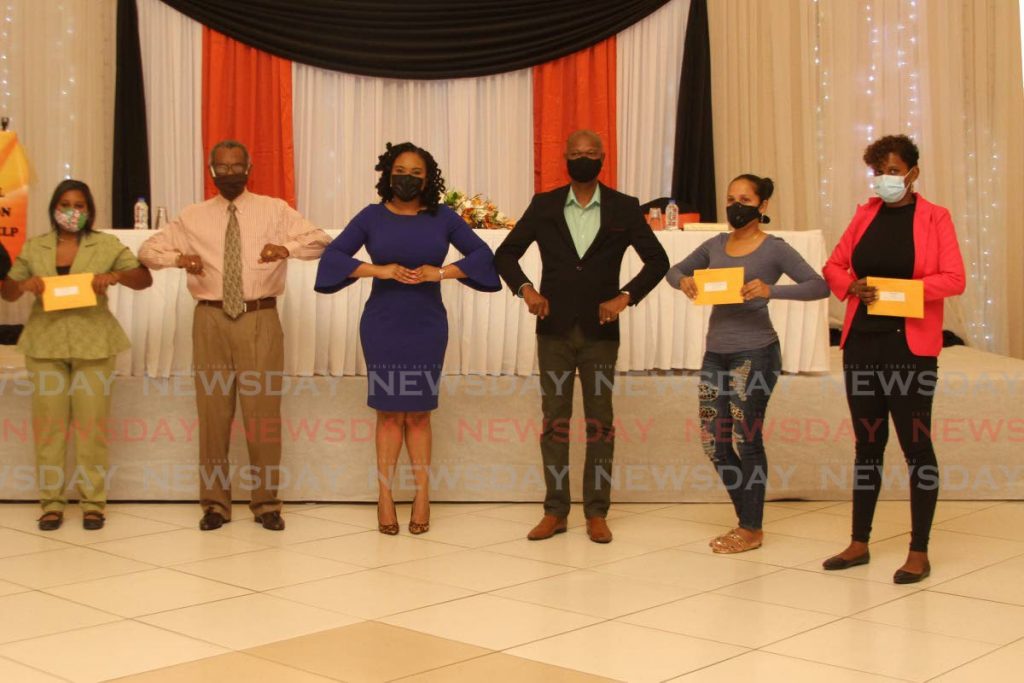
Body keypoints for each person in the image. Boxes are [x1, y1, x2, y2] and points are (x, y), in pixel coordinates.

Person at [138, 139, 331, 532]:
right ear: (211, 172)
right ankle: (214, 505)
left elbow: (321, 242)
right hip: (209, 320)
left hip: (259, 318)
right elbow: (147, 251)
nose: (230, 174)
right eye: (222, 168)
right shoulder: (192, 216)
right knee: (212, 416)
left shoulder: (274, 209)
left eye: (236, 167)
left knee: (262, 416)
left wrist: (286, 248)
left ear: (249, 168)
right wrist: (179, 259)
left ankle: (266, 503)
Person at [315, 142, 500, 535]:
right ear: (387, 173)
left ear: (427, 178)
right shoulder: (371, 216)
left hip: (426, 323)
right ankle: (384, 497)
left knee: (418, 413)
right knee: (388, 413)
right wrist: (377, 270)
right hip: (383, 324)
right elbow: (334, 257)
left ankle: (421, 496)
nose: (408, 178)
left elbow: (483, 256)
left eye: (417, 172)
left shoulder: (443, 217)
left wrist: (442, 273)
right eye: (401, 170)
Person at [494, 130, 669, 544]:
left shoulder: (624, 208)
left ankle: (596, 511)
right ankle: (555, 510)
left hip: (601, 334)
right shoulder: (545, 204)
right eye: (576, 153)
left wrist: (625, 297)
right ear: (565, 158)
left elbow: (657, 260)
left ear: (603, 158)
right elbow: (506, 253)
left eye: (590, 153)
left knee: (600, 423)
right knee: (554, 421)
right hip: (553, 331)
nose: (583, 158)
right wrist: (526, 290)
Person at [822, 135, 965, 583]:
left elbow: (954, 278)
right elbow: (834, 265)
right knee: (867, 446)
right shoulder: (865, 214)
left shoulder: (935, 218)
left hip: (910, 349)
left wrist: (908, 292)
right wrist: (851, 286)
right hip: (863, 344)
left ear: (913, 172)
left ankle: (918, 549)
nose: (886, 178)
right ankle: (859, 542)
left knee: (916, 447)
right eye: (879, 171)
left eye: (894, 170)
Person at [666, 175, 829, 553]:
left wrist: (773, 290)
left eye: (745, 198)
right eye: (730, 198)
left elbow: (819, 286)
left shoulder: (775, 249)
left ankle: (750, 528)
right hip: (715, 354)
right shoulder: (714, 244)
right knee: (714, 442)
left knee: (747, 438)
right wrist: (685, 281)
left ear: (762, 206)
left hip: (755, 353)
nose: (736, 205)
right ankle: (748, 520)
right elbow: (673, 271)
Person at [2, 179, 152, 530]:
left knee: (91, 427)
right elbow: (8, 292)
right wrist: (22, 285)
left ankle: (93, 504)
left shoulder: (106, 244)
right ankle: (51, 503)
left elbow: (143, 278)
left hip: (94, 343)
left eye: (80, 205)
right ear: (54, 208)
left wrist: (113, 275)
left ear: (89, 210)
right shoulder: (36, 247)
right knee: (50, 428)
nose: (73, 211)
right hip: (45, 344)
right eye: (66, 204)